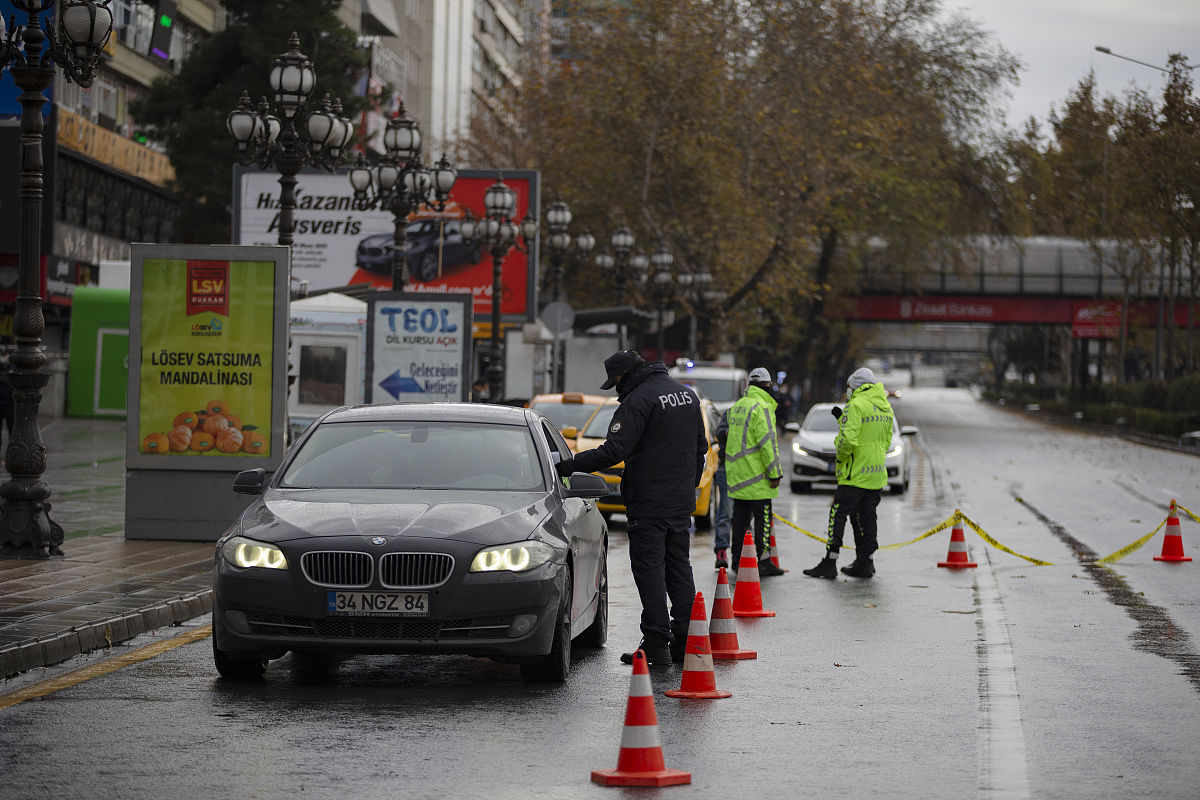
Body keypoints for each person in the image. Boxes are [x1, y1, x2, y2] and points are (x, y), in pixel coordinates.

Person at [555, 350, 707, 665]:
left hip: (649, 503)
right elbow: (700, 449)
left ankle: (656, 644)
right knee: (679, 568)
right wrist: (687, 486)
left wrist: (569, 465)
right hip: (679, 503)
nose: (617, 390)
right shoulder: (687, 396)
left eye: (616, 383)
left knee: (649, 570)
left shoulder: (640, 400)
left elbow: (614, 450)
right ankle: (685, 641)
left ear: (626, 375)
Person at [803, 366, 894, 579]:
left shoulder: (856, 405)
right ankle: (865, 562)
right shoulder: (885, 407)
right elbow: (886, 440)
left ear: (856, 386)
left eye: (850, 387)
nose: (848, 391)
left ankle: (830, 561)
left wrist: (841, 460)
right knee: (865, 517)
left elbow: (847, 441)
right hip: (875, 474)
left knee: (838, 514)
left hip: (854, 475)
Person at [724, 367, 786, 577]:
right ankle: (763, 561)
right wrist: (775, 473)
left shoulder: (738, 407)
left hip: (738, 476)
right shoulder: (762, 408)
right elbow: (767, 443)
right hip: (758, 478)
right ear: (767, 387)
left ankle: (736, 560)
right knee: (763, 520)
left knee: (739, 520)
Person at [712, 408, 733, 569]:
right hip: (727, 470)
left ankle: (743, 553)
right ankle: (721, 551)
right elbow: (720, 434)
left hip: (746, 472)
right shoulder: (732, 413)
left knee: (743, 515)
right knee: (725, 513)